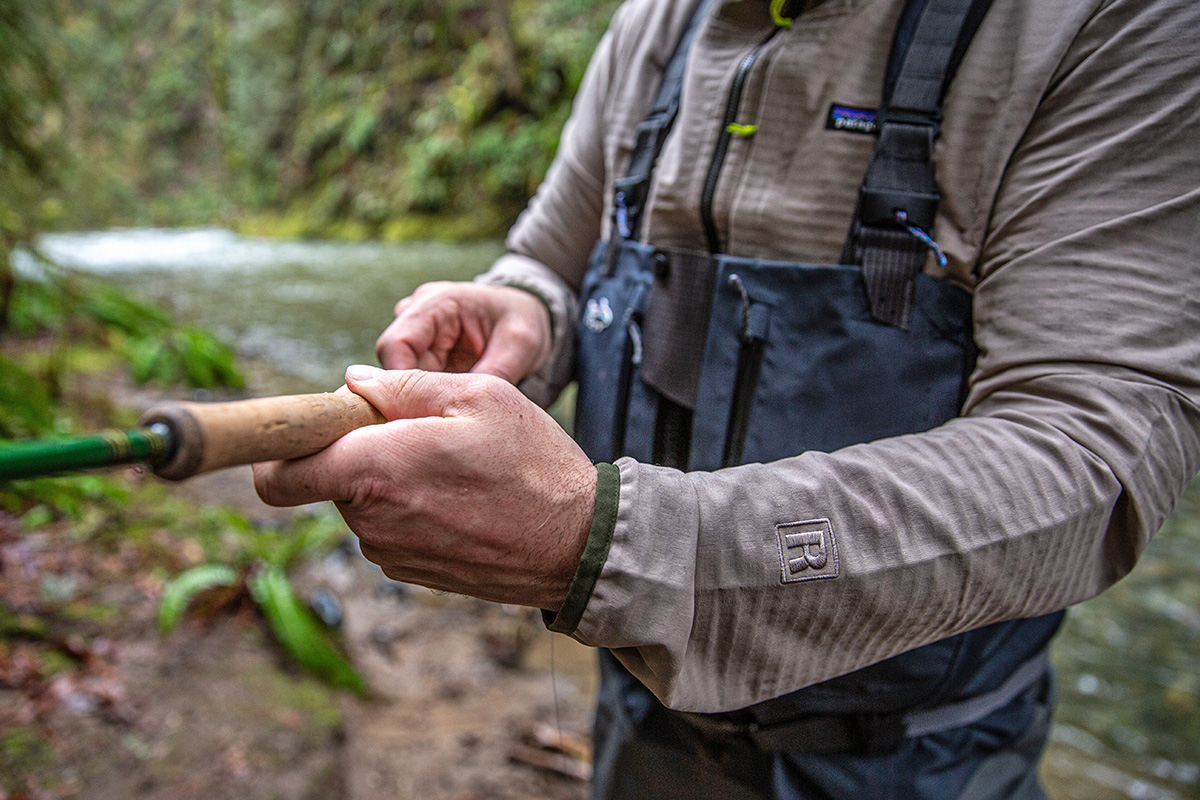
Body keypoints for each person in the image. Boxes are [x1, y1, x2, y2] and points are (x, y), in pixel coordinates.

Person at [253, 0, 1200, 796]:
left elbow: (1092, 453)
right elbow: (550, 255)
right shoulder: (656, 25)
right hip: (639, 717)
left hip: (921, 758)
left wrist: (605, 542)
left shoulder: (1112, 26)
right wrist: (524, 313)